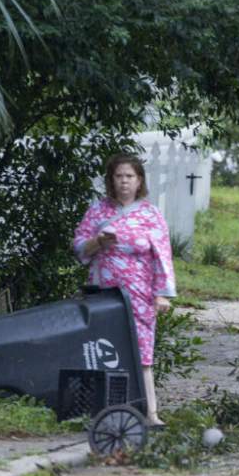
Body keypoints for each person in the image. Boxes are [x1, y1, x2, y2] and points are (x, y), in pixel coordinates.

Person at [73, 154, 176, 428]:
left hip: (139, 292)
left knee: (143, 351)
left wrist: (161, 294)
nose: (124, 182)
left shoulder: (150, 215)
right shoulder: (97, 211)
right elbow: (79, 247)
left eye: (129, 176)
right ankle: (98, 413)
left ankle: (150, 413)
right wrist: (98, 242)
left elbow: (162, 256)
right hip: (103, 291)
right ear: (111, 180)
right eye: (118, 176)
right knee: (101, 348)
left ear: (139, 180)